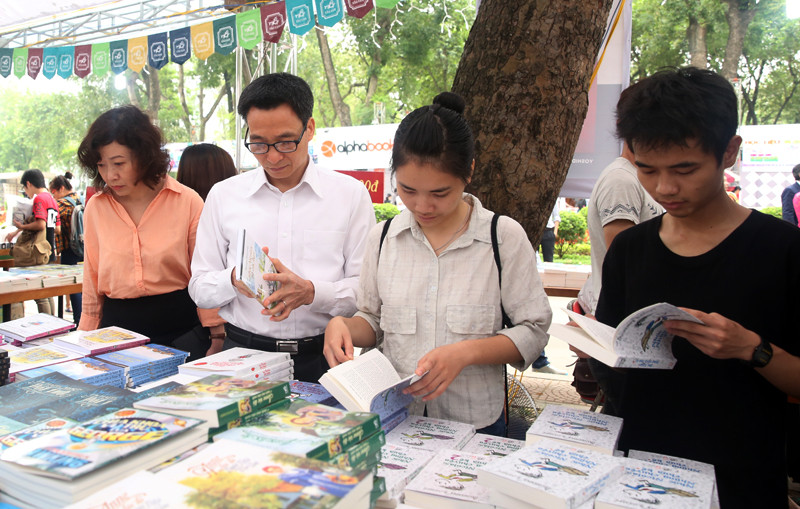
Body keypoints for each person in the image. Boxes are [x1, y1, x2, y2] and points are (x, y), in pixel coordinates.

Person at [596, 67, 800, 508]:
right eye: (647, 170)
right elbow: (612, 362)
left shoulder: (783, 250)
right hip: (637, 477)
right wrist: (593, 348)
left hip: (740, 481)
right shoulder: (631, 250)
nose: (665, 188)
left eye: (685, 169)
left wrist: (753, 348)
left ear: (729, 152)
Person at [323, 92, 552, 436]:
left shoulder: (501, 238)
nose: (422, 205)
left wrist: (465, 353)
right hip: (396, 420)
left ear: (469, 172)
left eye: (440, 193)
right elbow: (372, 320)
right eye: (407, 190)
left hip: (475, 425)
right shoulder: (383, 238)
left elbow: (534, 330)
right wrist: (342, 325)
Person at [189, 73, 375, 383]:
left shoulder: (349, 195)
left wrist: (312, 292)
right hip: (243, 355)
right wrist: (234, 280)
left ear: (310, 129)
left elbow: (367, 290)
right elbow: (199, 287)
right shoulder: (224, 195)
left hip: (321, 359)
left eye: (286, 142)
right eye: (259, 144)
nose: (273, 157)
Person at [76, 105, 205, 347]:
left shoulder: (187, 201)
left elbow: (204, 273)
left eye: (119, 163)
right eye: (101, 165)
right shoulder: (97, 207)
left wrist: (215, 331)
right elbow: (91, 277)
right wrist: (85, 331)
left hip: (181, 331)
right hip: (116, 334)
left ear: (145, 157)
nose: (110, 175)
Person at [176, 143, 238, 357]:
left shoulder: (183, 212)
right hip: (216, 325)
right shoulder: (221, 215)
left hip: (188, 321)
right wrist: (218, 334)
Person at [6, 169, 60, 314]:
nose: (26, 192)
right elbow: (57, 228)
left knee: (39, 294)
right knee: (46, 292)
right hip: (48, 249)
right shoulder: (52, 199)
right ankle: (52, 323)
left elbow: (40, 224)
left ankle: (46, 325)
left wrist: (22, 226)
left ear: (28, 184)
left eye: (24, 188)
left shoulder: (39, 199)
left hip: (36, 251)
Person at [49, 172, 83, 325]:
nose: (53, 196)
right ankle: (83, 320)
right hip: (85, 247)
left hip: (70, 249)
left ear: (61, 188)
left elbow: (54, 226)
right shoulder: (81, 200)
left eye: (53, 192)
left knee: (73, 286)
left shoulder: (61, 204)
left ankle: (78, 320)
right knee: (84, 284)